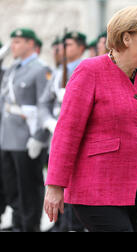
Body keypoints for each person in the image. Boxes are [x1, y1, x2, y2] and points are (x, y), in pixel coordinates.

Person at [43, 5, 137, 232]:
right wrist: (55, 186)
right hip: (95, 187)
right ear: (126, 38)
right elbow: (67, 131)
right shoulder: (89, 70)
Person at [0, 28, 51, 232]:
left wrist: (39, 137)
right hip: (7, 138)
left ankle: (30, 226)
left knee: (29, 188)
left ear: (31, 44)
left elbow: (44, 105)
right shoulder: (12, 69)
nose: (13, 45)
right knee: (12, 188)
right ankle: (19, 223)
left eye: (18, 41)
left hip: (26, 139)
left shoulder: (40, 69)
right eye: (12, 42)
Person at [39, 31, 88, 232]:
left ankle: (71, 224)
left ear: (80, 47)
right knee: (56, 180)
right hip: (57, 134)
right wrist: (49, 121)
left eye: (68, 45)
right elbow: (44, 102)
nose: (62, 49)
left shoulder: (86, 68)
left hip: (76, 137)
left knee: (71, 185)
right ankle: (58, 223)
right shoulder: (59, 71)